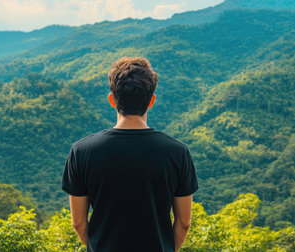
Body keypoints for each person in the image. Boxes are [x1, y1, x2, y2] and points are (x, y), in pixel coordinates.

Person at [62, 57, 198, 252]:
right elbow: (184, 222)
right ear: (151, 101)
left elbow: (78, 223)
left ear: (112, 100)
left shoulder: (81, 151)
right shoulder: (178, 152)